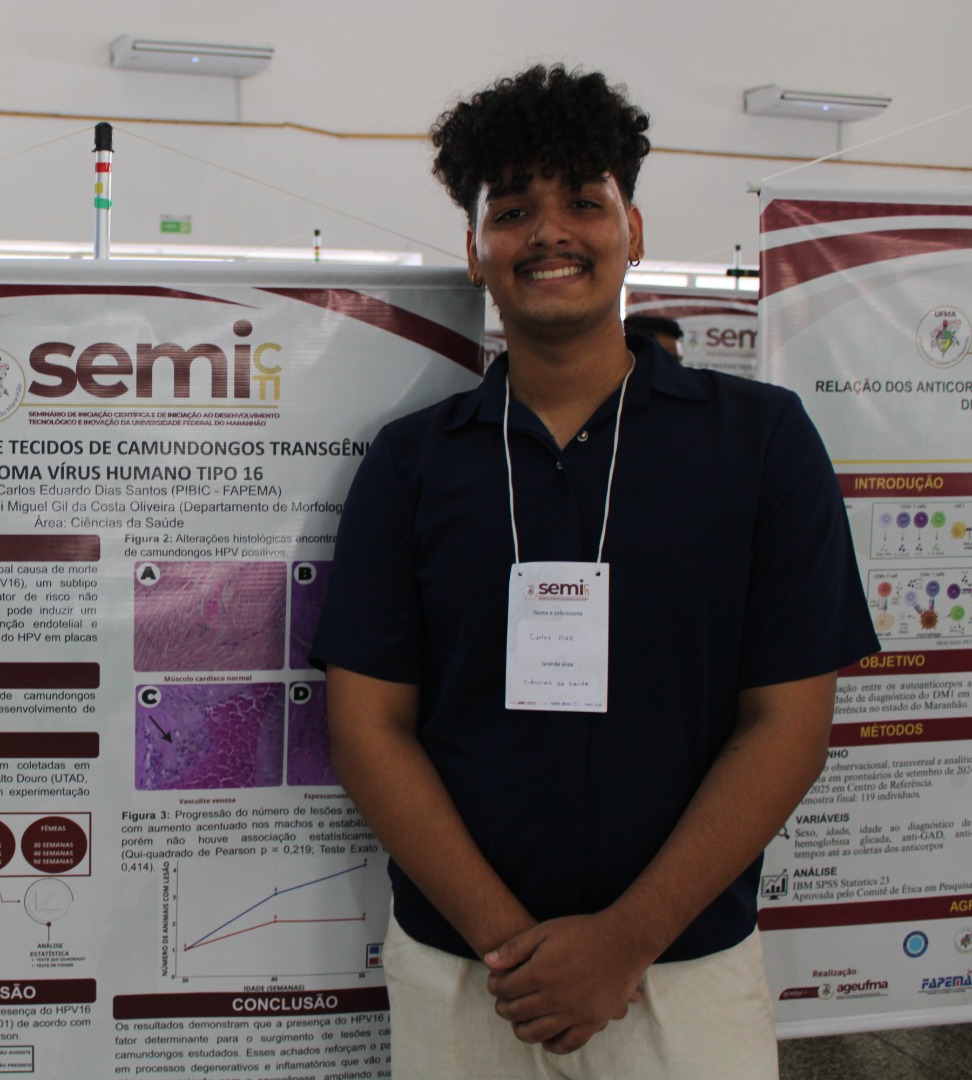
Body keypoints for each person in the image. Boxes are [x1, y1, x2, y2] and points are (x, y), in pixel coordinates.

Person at [311, 65, 877, 1079]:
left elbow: (788, 723)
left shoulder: (759, 442)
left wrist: (625, 941)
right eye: (511, 211)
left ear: (633, 229)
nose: (549, 233)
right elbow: (368, 725)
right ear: (475, 251)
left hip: (683, 972)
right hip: (466, 974)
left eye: (583, 201)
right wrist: (510, 948)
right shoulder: (413, 463)